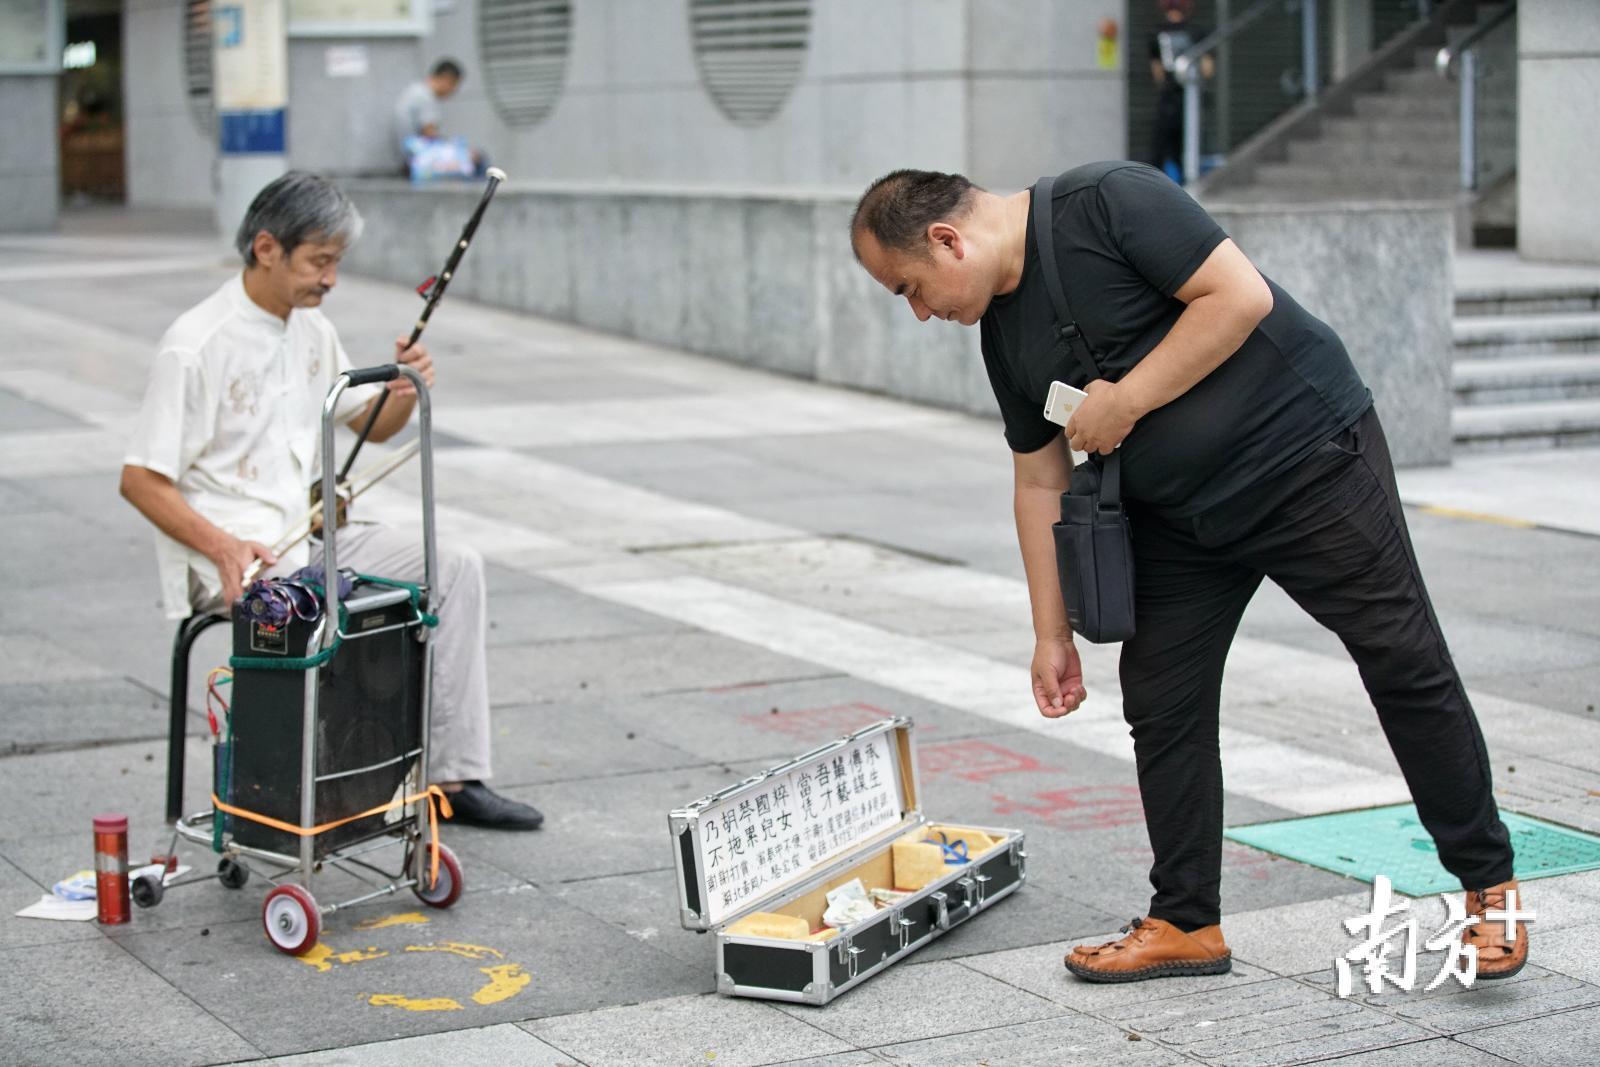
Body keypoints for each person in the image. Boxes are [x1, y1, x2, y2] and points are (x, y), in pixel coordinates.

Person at [849, 162, 1527, 983]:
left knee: (1402, 658)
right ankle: (1186, 921)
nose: (922, 312)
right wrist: (1050, 631)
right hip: (1177, 517)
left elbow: (1239, 298)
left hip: (1304, 463)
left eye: (909, 289)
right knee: (1162, 697)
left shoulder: (1112, 202)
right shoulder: (1003, 332)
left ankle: (1490, 891)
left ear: (946, 240)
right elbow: (1039, 476)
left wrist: (1125, 400)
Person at [120, 171, 543, 831]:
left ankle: (452, 778)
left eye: (336, 262)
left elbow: (370, 426)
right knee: (317, 603)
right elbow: (140, 479)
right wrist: (223, 544)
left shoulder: (312, 330)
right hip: (238, 556)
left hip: (309, 538)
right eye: (320, 261)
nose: (331, 279)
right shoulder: (194, 343)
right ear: (267, 248)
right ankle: (334, 795)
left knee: (453, 565)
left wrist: (401, 389)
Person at [1148, 0, 1211, 183]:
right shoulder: (1196, 32)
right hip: (1187, 96)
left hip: (1169, 97)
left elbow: (1157, 72)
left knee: (1162, 149)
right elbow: (1207, 69)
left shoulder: (1156, 32)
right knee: (1184, 148)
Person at [392, 58, 480, 178]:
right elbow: (430, 135)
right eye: (454, 85)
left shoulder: (415, 90)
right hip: (417, 162)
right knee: (476, 159)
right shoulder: (426, 97)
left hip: (408, 157)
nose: (453, 91)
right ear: (446, 79)